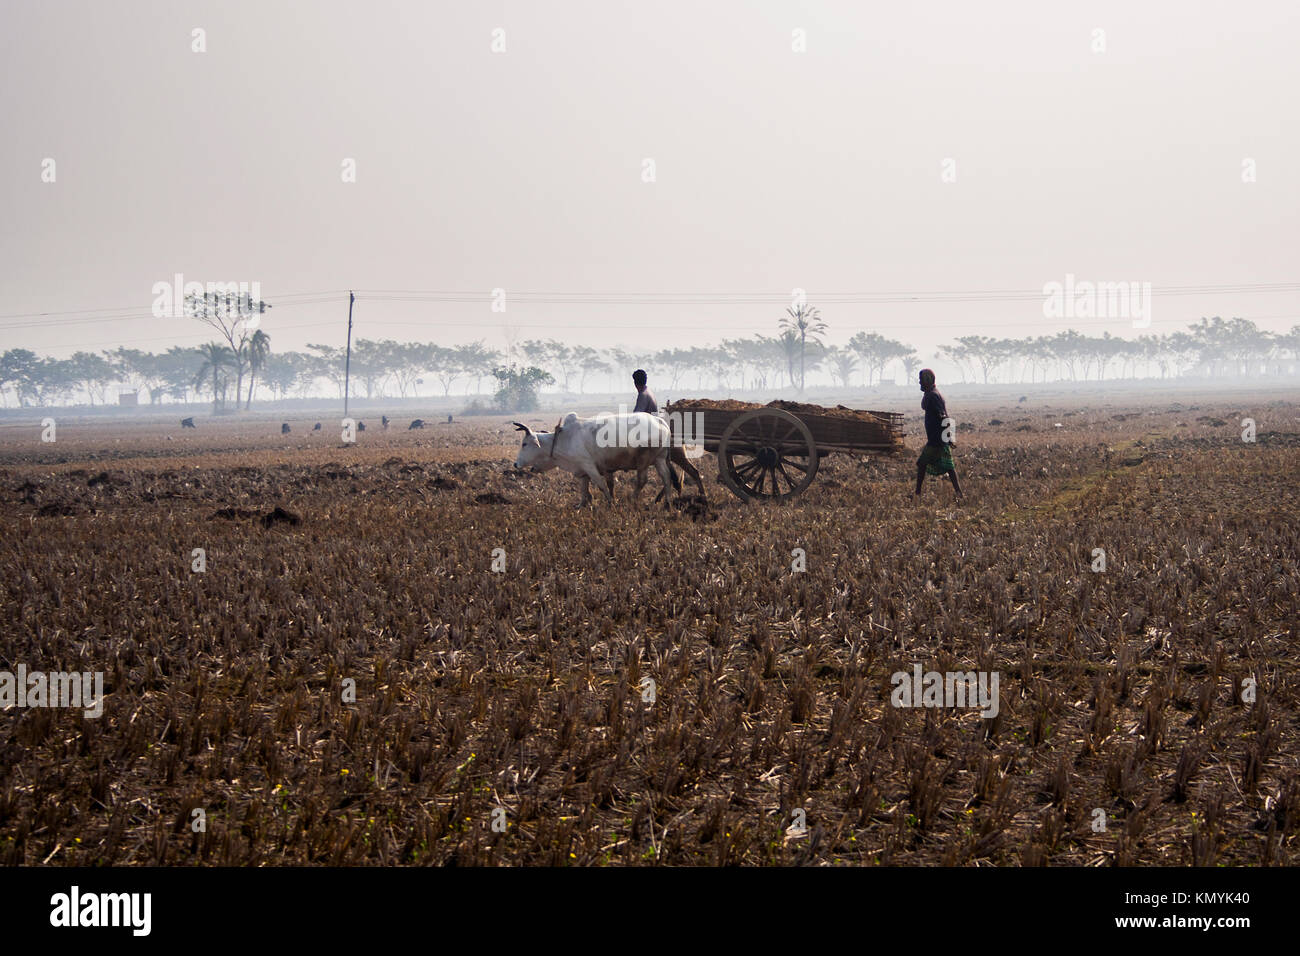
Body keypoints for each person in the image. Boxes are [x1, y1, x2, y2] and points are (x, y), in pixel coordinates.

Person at [915, 368, 963, 500]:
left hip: (937, 438)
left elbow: (943, 415)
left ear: (927, 381)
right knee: (948, 466)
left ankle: (917, 494)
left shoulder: (933, 396)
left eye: (921, 380)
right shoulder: (931, 394)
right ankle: (959, 493)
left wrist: (949, 436)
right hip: (938, 437)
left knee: (923, 464)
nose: (919, 383)